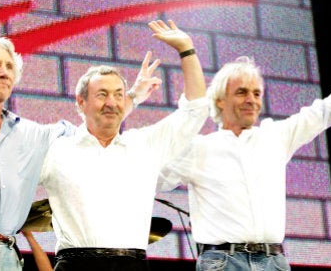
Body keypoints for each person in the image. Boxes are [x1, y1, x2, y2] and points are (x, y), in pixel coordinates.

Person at [0, 32, 159, 271]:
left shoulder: (31, 134)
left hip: (6, 256)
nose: (4, 72)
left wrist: (133, 97)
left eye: (9, 66)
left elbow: (93, 126)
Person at [171, 55, 331, 270]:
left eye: (256, 93)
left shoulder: (275, 137)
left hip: (273, 262)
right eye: (241, 92)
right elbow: (150, 176)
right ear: (219, 100)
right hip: (222, 263)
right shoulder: (198, 148)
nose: (251, 100)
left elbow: (328, 109)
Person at [37, 19, 209, 271]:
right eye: (102, 94)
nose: (112, 102)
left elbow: (195, 110)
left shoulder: (144, 145)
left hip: (132, 265)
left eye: (119, 94)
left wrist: (187, 50)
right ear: (81, 102)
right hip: (75, 266)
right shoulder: (57, 150)